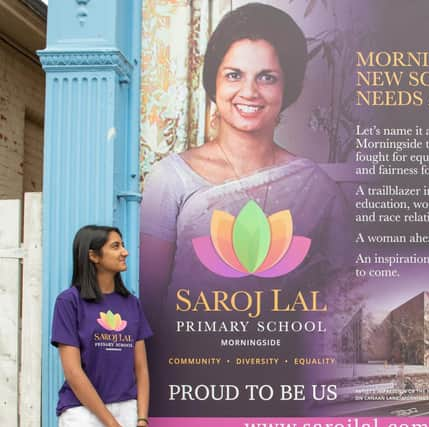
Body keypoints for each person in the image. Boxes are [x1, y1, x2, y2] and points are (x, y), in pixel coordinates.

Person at [138, 3, 350, 417]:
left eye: (266, 77)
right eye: (234, 74)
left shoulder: (318, 189)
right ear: (212, 83)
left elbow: (344, 305)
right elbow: (149, 307)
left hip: (285, 394)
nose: (249, 92)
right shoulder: (171, 179)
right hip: (191, 391)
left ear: (287, 88)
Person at [51, 226, 152, 427]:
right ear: (94, 256)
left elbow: (140, 368)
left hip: (127, 409)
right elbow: (73, 372)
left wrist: (141, 418)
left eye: (122, 245)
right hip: (82, 411)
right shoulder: (69, 302)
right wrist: (112, 424)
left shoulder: (132, 303)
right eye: (116, 246)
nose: (125, 252)